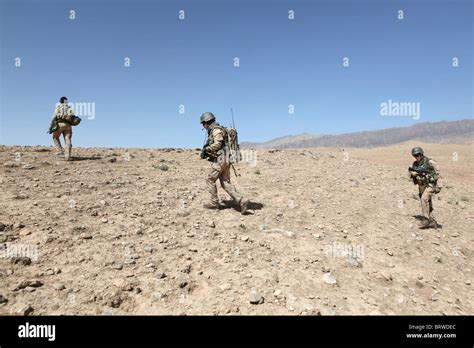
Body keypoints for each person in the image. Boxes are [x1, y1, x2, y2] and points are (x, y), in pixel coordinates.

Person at [200, 112, 249, 214]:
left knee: (210, 179)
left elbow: (218, 144)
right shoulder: (219, 129)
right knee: (225, 183)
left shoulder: (216, 130)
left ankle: (214, 203)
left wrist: (207, 149)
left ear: (206, 122)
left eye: (203, 123)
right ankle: (241, 200)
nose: (203, 126)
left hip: (221, 159)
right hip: (226, 159)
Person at [408, 147, 442, 229]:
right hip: (421, 185)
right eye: (414, 156)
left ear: (421, 154)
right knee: (427, 201)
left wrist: (439, 187)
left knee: (424, 199)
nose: (416, 157)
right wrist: (412, 174)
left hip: (430, 184)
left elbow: (438, 174)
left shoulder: (429, 162)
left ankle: (426, 220)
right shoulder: (415, 164)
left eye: (417, 155)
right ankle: (432, 222)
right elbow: (410, 172)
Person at [48, 96, 75, 161]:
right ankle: (67, 156)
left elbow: (53, 117)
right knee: (67, 139)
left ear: (60, 101)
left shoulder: (59, 107)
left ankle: (60, 151)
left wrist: (50, 127)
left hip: (60, 124)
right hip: (68, 125)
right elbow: (73, 117)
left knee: (55, 137)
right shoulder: (70, 108)